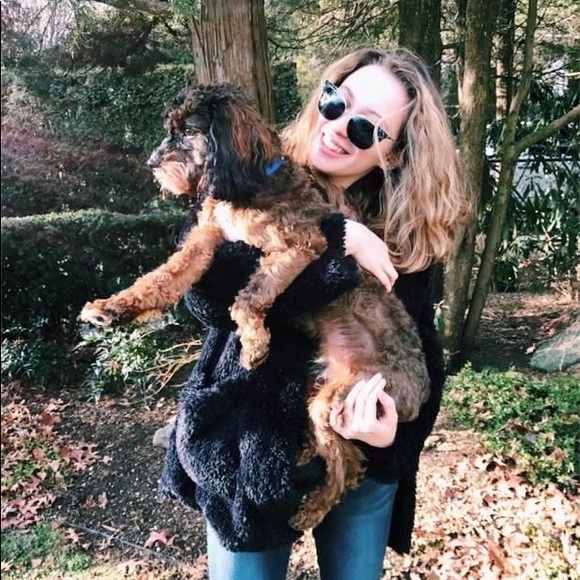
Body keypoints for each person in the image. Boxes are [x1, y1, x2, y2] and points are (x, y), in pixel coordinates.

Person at [159, 47, 469, 580]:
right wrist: (337, 240)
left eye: (367, 128)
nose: (341, 128)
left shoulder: (402, 236)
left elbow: (424, 353)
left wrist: (391, 437)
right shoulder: (255, 170)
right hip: (251, 452)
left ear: (393, 155)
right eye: (336, 102)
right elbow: (208, 296)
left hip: (356, 454)